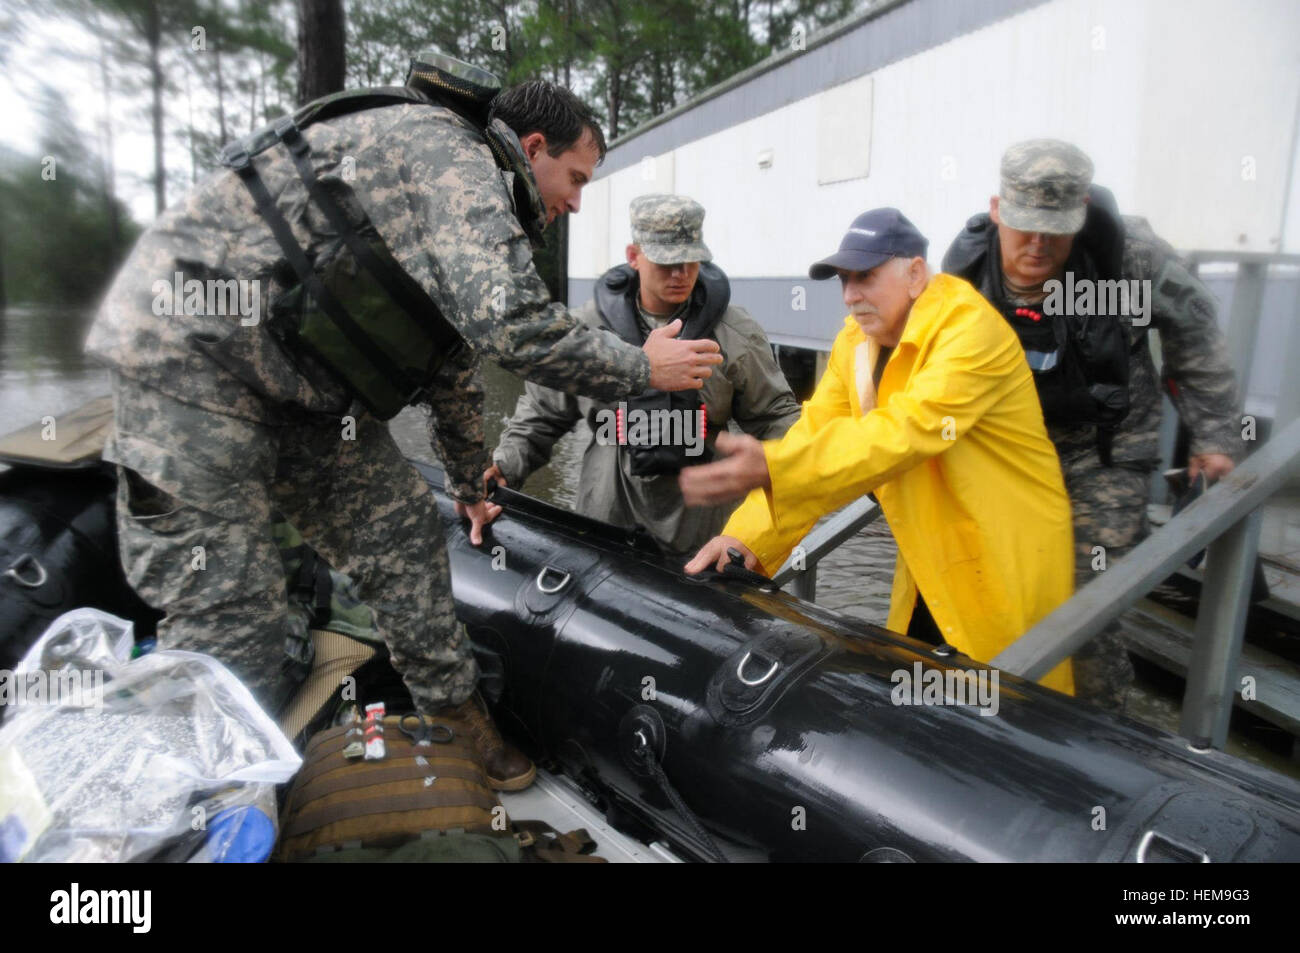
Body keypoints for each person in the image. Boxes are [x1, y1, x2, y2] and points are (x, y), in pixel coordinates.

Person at [83, 53, 722, 790]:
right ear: (533, 149)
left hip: (306, 391)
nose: (578, 203)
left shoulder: (478, 203)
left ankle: (454, 714)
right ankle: (183, 799)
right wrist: (644, 368)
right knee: (238, 617)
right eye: (577, 179)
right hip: (190, 360)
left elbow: (449, 360)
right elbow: (509, 326)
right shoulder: (448, 152)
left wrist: (466, 481)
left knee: (405, 535)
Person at [682, 208, 1075, 694]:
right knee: (934, 692)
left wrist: (776, 465)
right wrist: (745, 540)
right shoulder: (856, 343)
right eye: (844, 281)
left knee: (1015, 703)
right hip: (935, 549)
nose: (850, 296)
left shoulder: (969, 329)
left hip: (1006, 550)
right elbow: (813, 437)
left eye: (865, 277)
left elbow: (910, 428)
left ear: (915, 274)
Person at [942, 139, 1240, 712]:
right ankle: (999, 715)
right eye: (1025, 225)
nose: (1038, 243)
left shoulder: (1132, 259)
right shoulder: (966, 274)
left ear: (1081, 212)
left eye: (1056, 228)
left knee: (1085, 600)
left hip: (1107, 450)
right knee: (994, 587)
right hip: (1009, 452)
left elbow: (1196, 334)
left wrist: (1216, 436)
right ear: (996, 208)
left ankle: (1101, 734)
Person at [488, 194, 801, 555]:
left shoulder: (736, 333)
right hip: (604, 528)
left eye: (690, 260)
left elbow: (776, 419)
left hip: (702, 537)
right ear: (634, 256)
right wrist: (504, 466)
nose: (681, 274)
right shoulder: (585, 331)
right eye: (667, 262)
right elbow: (541, 414)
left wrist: (818, 466)